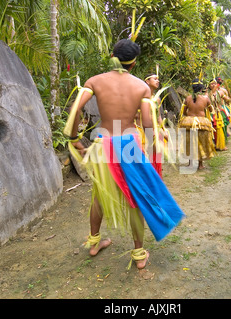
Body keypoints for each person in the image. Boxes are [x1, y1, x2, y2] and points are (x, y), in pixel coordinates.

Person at [64, 39, 185, 269]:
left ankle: (94, 243)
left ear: (112, 55)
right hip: (130, 144)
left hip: (103, 143)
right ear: (134, 63)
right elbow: (149, 125)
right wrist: (151, 152)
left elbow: (76, 108)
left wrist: (74, 138)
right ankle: (139, 255)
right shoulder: (141, 87)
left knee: (98, 196)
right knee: (135, 199)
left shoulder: (94, 81)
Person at [178, 79, 216, 170]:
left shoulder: (187, 98)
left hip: (189, 122)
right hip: (201, 123)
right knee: (201, 142)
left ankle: (190, 163)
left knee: (190, 142)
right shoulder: (206, 98)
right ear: (201, 88)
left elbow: (183, 112)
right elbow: (211, 110)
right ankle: (200, 164)